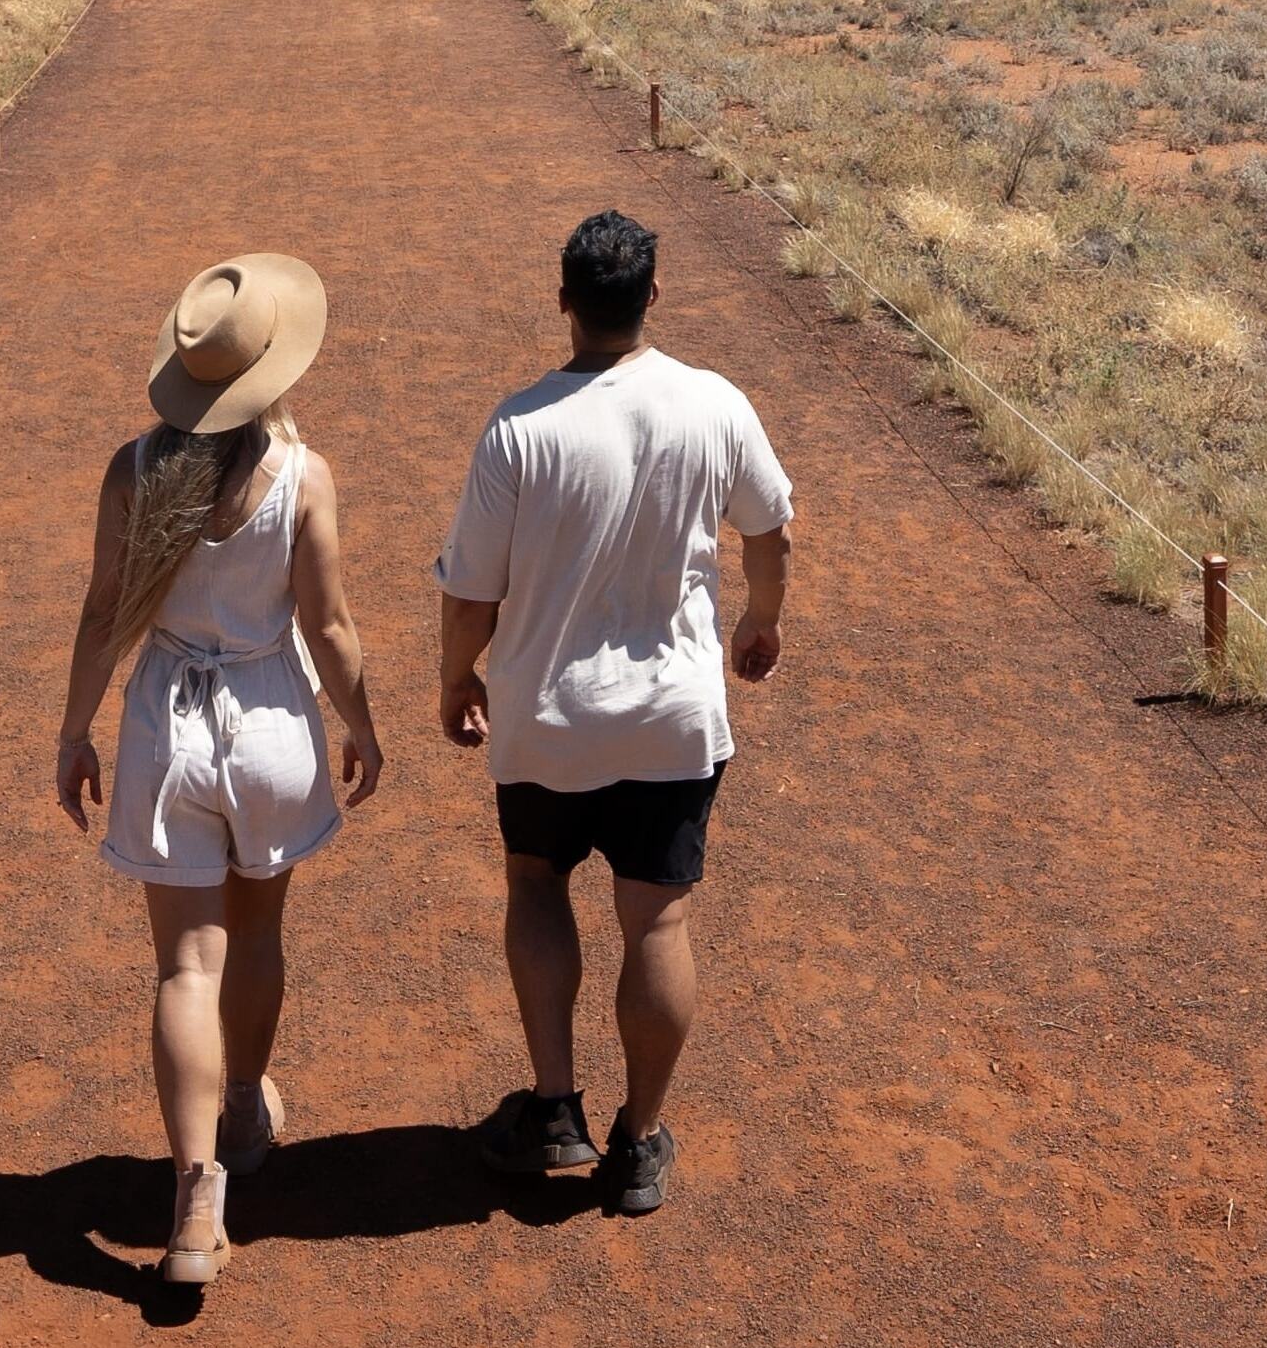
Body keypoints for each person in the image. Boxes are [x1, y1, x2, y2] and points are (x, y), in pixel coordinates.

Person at [435, 208, 795, 1220]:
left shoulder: (518, 427)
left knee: (536, 883)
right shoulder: (712, 403)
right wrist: (761, 623)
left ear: (564, 302)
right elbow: (771, 529)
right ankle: (638, 1140)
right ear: (651, 299)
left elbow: (470, 594)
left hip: (544, 719)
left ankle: (554, 1107)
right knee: (659, 916)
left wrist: (456, 678)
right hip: (672, 720)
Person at [55, 250, 382, 1291]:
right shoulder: (304, 476)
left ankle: (197, 1195)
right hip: (273, 723)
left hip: (167, 729)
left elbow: (104, 615)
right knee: (261, 931)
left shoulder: (134, 470)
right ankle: (245, 1108)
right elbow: (327, 628)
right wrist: (364, 724)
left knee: (184, 966)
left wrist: (73, 730)